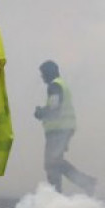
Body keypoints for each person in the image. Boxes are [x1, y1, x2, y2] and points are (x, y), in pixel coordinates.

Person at [34, 60, 96, 195]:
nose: (42, 77)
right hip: (62, 129)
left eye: (43, 74)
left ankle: (57, 194)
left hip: (59, 130)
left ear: (50, 73)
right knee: (55, 162)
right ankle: (83, 183)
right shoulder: (59, 85)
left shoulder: (55, 86)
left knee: (51, 163)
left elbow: (54, 109)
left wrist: (40, 113)